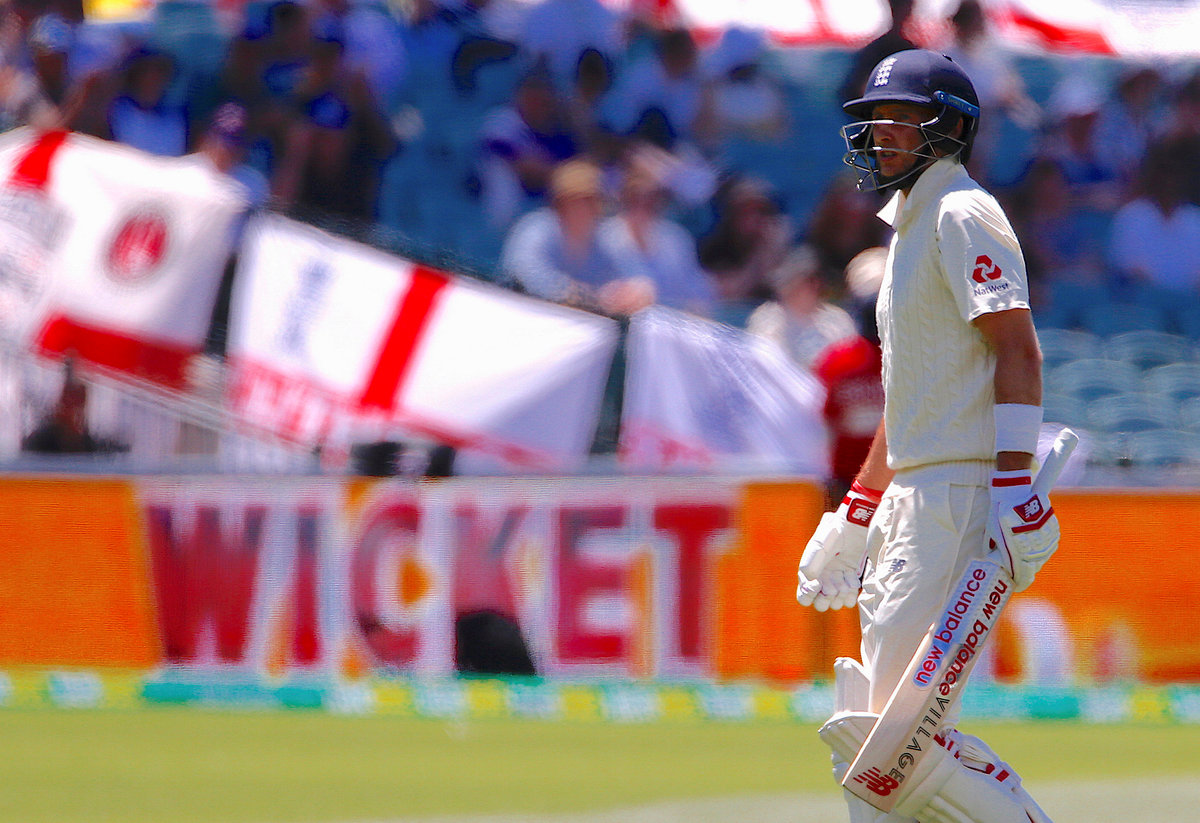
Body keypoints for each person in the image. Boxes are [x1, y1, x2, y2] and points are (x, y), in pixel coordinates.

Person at [796, 50, 1059, 823]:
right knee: (882, 734)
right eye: (876, 121)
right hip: (912, 494)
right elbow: (908, 398)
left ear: (949, 128)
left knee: (890, 747)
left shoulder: (961, 212)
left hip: (952, 494)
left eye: (903, 120)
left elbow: (1018, 350)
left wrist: (1012, 481)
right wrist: (856, 510)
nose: (882, 135)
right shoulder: (909, 227)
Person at [500, 158, 646, 314]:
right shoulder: (537, 228)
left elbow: (624, 279)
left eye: (592, 200)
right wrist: (580, 295)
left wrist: (632, 292)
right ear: (562, 202)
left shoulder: (601, 244)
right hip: (518, 313)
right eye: (579, 200)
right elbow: (523, 272)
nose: (587, 208)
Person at [596, 165, 715, 316]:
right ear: (623, 199)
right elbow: (596, 285)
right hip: (614, 318)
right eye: (635, 198)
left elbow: (697, 290)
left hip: (667, 322)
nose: (642, 205)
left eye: (650, 200)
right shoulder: (603, 236)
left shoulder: (676, 238)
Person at [746, 245, 856, 371]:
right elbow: (762, 364)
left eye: (807, 282)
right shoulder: (765, 319)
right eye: (790, 282)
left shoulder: (838, 320)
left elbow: (848, 363)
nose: (795, 289)